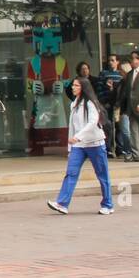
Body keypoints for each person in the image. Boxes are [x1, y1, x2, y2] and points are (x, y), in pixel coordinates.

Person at [47, 76, 114, 215]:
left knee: (102, 175)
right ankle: (62, 203)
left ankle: (108, 204)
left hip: (95, 143)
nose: (73, 87)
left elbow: (92, 123)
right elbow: (72, 127)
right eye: (73, 85)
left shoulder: (90, 103)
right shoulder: (74, 103)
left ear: (83, 88)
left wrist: (78, 137)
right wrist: (70, 148)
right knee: (71, 173)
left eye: (76, 85)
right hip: (79, 146)